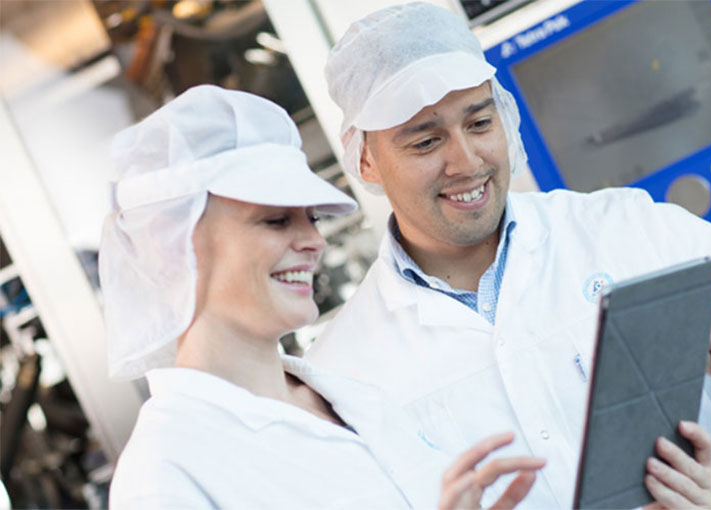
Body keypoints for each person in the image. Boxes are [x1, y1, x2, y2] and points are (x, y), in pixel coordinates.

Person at [305, 3, 711, 509]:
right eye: (426, 140)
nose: (467, 161)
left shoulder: (625, 228)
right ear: (366, 160)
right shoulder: (344, 372)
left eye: (480, 122)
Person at [100, 84, 548, 508]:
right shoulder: (165, 475)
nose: (314, 240)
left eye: (311, 218)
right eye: (276, 221)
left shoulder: (353, 399)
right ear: (168, 245)